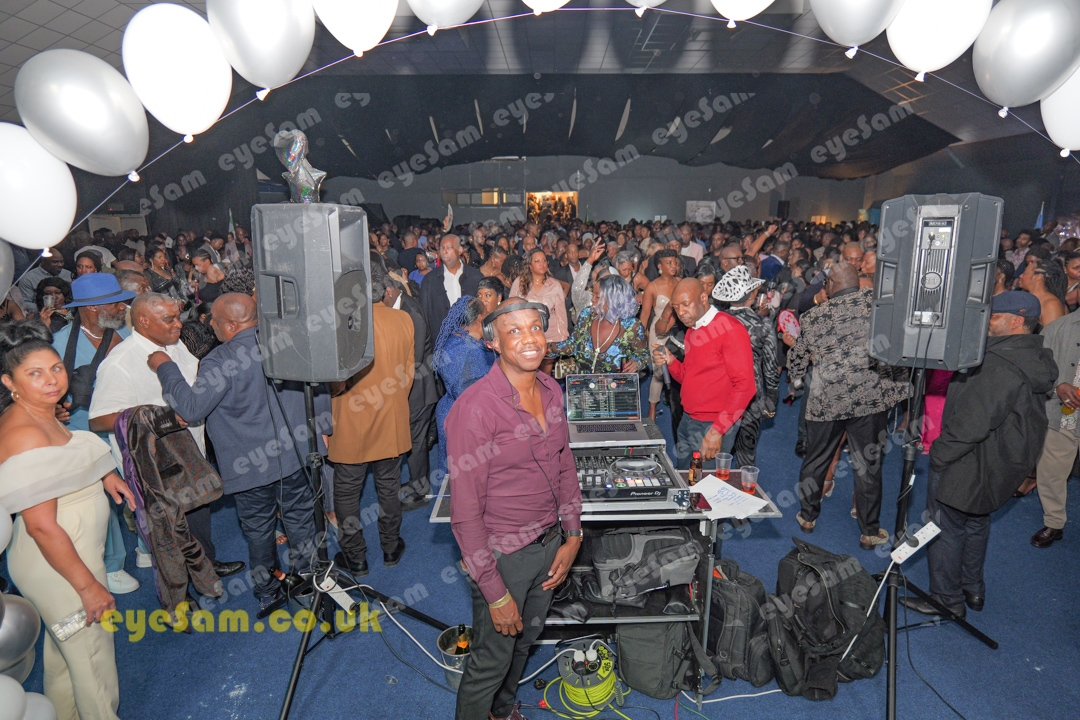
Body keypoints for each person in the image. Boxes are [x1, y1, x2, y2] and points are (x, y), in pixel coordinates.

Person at [447, 299, 582, 720]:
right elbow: (465, 514)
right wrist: (495, 592)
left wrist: (573, 534)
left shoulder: (551, 389)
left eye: (535, 328)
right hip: (503, 557)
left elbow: (564, 462)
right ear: (493, 343)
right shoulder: (474, 409)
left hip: (550, 545)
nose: (530, 339)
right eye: (515, 331)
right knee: (491, 660)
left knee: (524, 643)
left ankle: (502, 712)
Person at [150, 293, 325, 610]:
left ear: (230, 325)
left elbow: (191, 409)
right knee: (302, 523)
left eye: (214, 322)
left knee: (258, 532)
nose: (211, 327)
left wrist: (166, 367)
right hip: (296, 456)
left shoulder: (219, 360)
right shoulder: (289, 341)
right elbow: (319, 384)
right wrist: (324, 429)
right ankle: (307, 583)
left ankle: (268, 589)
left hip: (250, 468)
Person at [0, 319, 135, 720]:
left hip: (66, 553)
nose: (51, 380)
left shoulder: (41, 412)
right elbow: (42, 526)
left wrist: (104, 474)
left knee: (65, 653)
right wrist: (88, 587)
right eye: (34, 374)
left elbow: (65, 451)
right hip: (58, 563)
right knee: (92, 656)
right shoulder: (24, 432)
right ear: (9, 382)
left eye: (56, 368)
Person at [901, 292, 1056, 618]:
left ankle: (946, 600)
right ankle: (972, 588)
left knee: (944, 527)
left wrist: (940, 454)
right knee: (975, 522)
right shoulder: (1030, 356)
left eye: (994, 316)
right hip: (998, 462)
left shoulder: (1000, 364)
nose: (987, 322)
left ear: (1017, 321)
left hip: (969, 460)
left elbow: (973, 423)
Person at [88, 293, 245, 579]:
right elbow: (98, 419)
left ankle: (206, 565)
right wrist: (160, 418)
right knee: (169, 532)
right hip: (154, 463)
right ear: (143, 321)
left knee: (198, 511)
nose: (179, 325)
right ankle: (181, 591)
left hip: (190, 453)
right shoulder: (120, 362)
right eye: (169, 319)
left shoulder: (175, 344)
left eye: (178, 317)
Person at [784, 263, 909, 550]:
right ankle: (869, 532)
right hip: (870, 401)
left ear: (830, 285)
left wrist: (797, 363)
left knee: (816, 459)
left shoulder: (814, 316)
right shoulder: (880, 309)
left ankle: (807, 517)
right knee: (868, 465)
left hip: (827, 401)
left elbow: (797, 362)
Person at [52, 274, 139, 596]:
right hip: (83, 433)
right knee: (101, 502)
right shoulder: (59, 344)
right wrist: (53, 411)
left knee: (140, 490)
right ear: (91, 308)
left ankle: (147, 548)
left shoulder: (126, 335)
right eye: (115, 303)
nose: (122, 307)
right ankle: (112, 565)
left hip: (125, 428)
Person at [329, 275, 414, 577]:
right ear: (384, 293)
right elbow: (408, 374)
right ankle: (390, 547)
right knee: (389, 487)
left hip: (351, 420)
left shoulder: (345, 324)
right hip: (391, 417)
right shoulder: (403, 319)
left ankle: (356, 558)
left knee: (347, 492)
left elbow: (336, 381)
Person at [652, 279, 756, 470]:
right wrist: (672, 362)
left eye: (686, 304)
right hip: (688, 419)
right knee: (686, 478)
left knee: (705, 485)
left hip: (712, 424)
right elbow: (689, 377)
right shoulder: (693, 330)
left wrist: (717, 431)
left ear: (703, 298)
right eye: (676, 307)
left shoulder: (730, 328)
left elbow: (746, 386)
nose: (681, 312)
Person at [380, 272, 440, 512]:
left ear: (389, 292)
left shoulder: (411, 312)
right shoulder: (401, 306)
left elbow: (413, 360)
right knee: (414, 441)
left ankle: (421, 492)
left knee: (415, 443)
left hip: (419, 390)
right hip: (412, 387)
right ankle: (417, 481)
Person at [712, 266, 779, 467]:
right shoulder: (763, 325)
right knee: (746, 453)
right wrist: (772, 399)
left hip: (721, 393)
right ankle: (743, 485)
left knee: (716, 450)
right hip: (752, 395)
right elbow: (771, 366)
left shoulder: (716, 323)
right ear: (751, 295)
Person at [1030, 300, 1080, 548]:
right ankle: (1054, 523)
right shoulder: (1058, 328)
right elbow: (1038, 368)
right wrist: (1058, 384)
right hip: (1068, 411)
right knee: (1052, 470)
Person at [433, 297, 497, 486]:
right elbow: (469, 392)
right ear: (480, 318)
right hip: (464, 418)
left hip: (449, 410)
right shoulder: (470, 351)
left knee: (453, 475)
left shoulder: (456, 339)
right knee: (467, 479)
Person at [551, 274, 647, 374]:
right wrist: (546, 348)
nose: (592, 300)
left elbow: (643, 354)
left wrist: (637, 363)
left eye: (597, 296)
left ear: (613, 300)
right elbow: (572, 345)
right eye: (593, 295)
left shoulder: (632, 326)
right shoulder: (586, 316)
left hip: (617, 383)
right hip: (584, 382)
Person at [641, 249, 682, 420]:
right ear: (659, 266)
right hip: (658, 335)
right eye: (669, 262)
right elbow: (645, 315)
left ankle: (674, 400)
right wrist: (640, 339)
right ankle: (652, 407)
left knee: (678, 368)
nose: (673, 266)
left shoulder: (681, 282)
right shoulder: (652, 286)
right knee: (658, 372)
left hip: (678, 332)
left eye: (675, 262)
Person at [420, 234, 484, 336]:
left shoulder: (475, 277)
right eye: (442, 248)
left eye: (449, 248)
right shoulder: (430, 280)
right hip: (440, 340)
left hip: (470, 340)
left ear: (460, 250)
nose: (444, 252)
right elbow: (424, 314)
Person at [509, 248, 570, 347]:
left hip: (551, 336)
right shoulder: (519, 282)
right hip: (526, 335)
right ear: (530, 266)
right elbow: (511, 309)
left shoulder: (554, 285)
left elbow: (561, 314)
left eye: (544, 260)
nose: (542, 264)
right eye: (537, 261)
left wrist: (563, 338)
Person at [1017, 257, 1067, 328]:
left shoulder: (1051, 304)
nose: (1020, 276)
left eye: (1025, 273)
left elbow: (1053, 333)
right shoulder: (1028, 299)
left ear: (1038, 277)